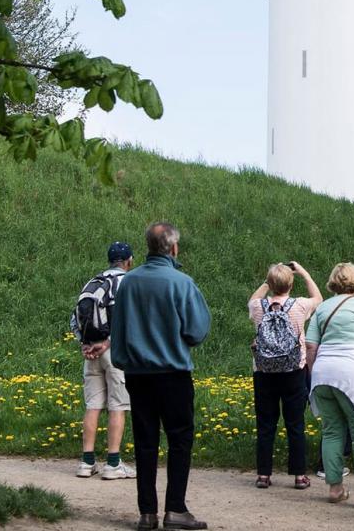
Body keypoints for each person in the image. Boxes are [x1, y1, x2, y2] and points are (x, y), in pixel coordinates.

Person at [110, 222, 210, 531]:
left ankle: (147, 513)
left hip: (138, 374)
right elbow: (196, 330)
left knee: (145, 441)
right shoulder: (181, 283)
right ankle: (176, 509)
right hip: (173, 373)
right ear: (174, 248)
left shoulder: (129, 282)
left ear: (148, 247)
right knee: (179, 440)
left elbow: (119, 329)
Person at [305, 262, 354, 506]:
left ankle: (335, 488)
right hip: (352, 371)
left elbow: (310, 346)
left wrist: (313, 373)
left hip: (323, 373)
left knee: (331, 430)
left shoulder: (322, 308)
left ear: (333, 282)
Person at [248, 262, 322, 490]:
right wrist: (303, 272)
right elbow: (318, 298)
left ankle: (263, 475)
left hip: (264, 372)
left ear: (270, 285)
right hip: (294, 371)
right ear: (291, 284)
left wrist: (267, 282)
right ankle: (299, 476)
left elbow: (252, 299)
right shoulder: (299, 305)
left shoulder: (259, 306)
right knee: (295, 424)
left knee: (265, 424)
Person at [71, 241, 136, 481]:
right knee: (118, 405)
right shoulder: (126, 282)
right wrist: (108, 342)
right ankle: (113, 463)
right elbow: (125, 318)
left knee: (93, 405)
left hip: (91, 352)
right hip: (113, 351)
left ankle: (86, 462)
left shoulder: (93, 282)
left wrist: (85, 344)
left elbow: (75, 318)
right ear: (129, 260)